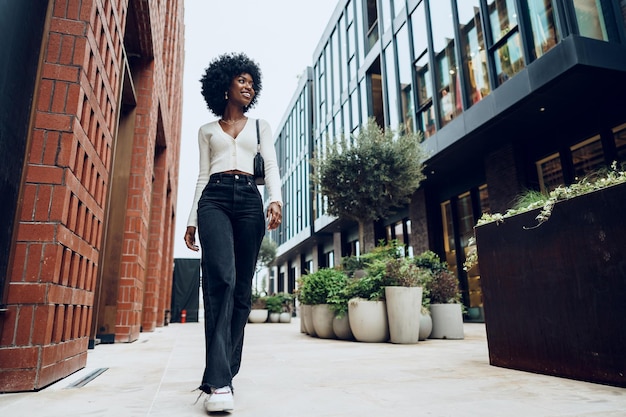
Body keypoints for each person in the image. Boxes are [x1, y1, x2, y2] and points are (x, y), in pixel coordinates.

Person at [184, 52, 282, 413]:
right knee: (220, 280)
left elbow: (270, 164)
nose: (248, 86)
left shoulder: (260, 126)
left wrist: (277, 200)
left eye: (251, 83)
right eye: (242, 80)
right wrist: (192, 219)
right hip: (215, 199)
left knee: (241, 289)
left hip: (249, 203)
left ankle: (225, 371)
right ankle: (219, 382)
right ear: (225, 84)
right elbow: (200, 176)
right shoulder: (207, 131)